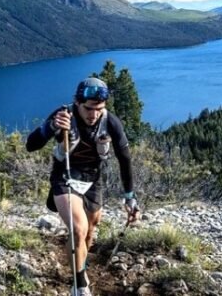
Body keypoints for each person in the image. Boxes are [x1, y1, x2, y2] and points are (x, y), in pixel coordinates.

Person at [26, 77, 140, 296]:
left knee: (90, 230)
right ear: (77, 102)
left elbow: (124, 158)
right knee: (79, 229)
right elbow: (31, 145)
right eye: (88, 108)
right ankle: (79, 286)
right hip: (65, 175)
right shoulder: (63, 115)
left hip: (93, 178)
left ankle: (81, 266)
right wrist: (52, 126)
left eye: (99, 108)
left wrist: (130, 196)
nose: (93, 114)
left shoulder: (110, 122)